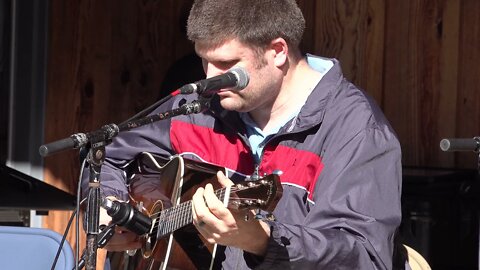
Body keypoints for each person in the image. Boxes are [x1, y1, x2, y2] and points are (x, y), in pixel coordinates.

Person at [82, 0, 405, 269]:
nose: (209, 78)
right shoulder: (199, 108)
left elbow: (365, 256)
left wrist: (263, 240)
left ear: (277, 51)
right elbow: (105, 155)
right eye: (204, 62)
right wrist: (107, 209)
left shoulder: (357, 131)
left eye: (226, 65)